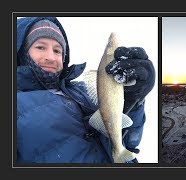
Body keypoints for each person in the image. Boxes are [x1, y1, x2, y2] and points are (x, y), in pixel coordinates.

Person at [16, 17, 155, 163]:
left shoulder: (83, 90)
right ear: (21, 52)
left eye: (57, 50)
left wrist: (134, 99)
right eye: (40, 47)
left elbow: (130, 142)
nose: (51, 57)